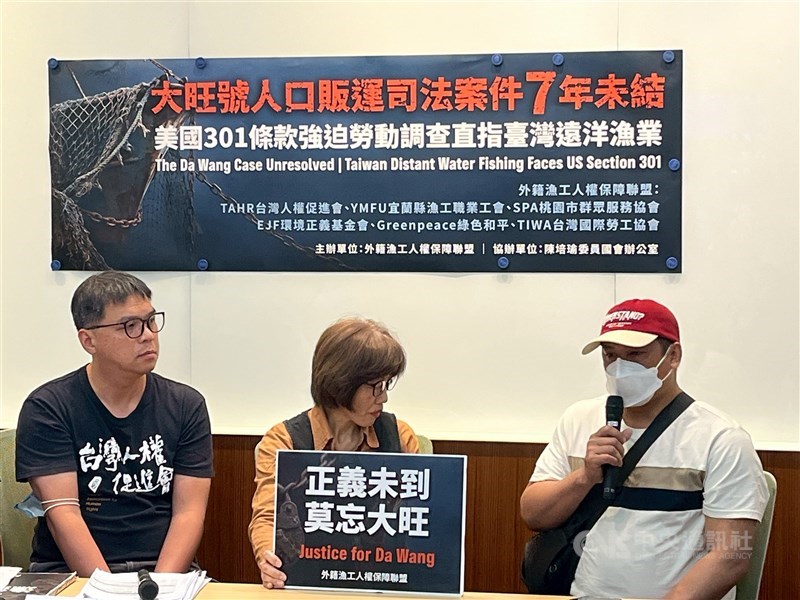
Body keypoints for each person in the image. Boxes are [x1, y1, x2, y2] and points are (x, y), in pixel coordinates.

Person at [520, 298, 768, 599]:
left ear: (673, 356)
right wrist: (584, 477)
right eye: (610, 355)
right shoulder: (578, 418)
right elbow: (533, 514)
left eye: (635, 354)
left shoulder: (721, 437)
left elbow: (730, 555)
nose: (620, 367)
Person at [15, 271, 214, 575]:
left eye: (150, 321)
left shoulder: (186, 405)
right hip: (68, 572)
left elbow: (189, 513)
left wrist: (160, 586)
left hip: (162, 571)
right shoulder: (48, 408)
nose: (148, 335)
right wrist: (106, 589)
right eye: (130, 326)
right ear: (88, 340)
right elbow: (63, 514)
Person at [249, 317, 420, 589]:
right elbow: (268, 517)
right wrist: (267, 559)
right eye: (375, 386)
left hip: (382, 585)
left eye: (387, 384)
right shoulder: (284, 441)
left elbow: (423, 514)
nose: (384, 397)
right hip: (308, 585)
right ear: (341, 382)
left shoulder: (398, 436)